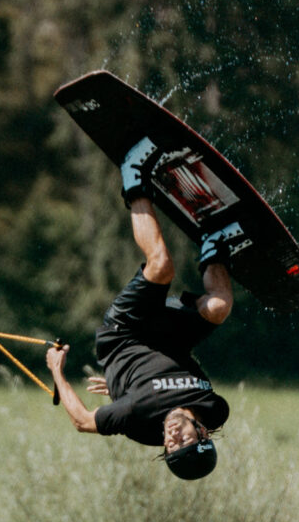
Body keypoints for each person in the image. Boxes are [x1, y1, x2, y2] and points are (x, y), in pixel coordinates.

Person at [44, 184, 233, 479]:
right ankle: (214, 244)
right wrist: (126, 385)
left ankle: (135, 183)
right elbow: (167, 379)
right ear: (204, 433)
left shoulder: (138, 415)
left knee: (162, 266)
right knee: (219, 306)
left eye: (171, 447)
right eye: (184, 441)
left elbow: (83, 422)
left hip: (124, 332)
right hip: (170, 337)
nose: (173, 438)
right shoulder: (215, 408)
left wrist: (57, 370)